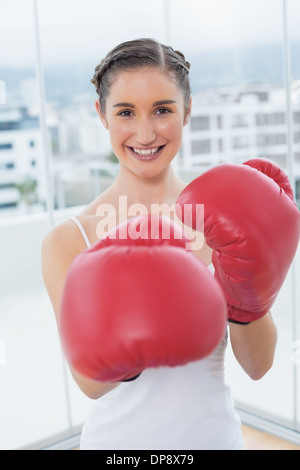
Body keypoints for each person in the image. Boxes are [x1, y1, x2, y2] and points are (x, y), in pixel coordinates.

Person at [42, 38, 280, 450]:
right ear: (102, 116)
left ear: (188, 109)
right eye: (126, 112)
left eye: (163, 110)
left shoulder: (221, 219)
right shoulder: (68, 241)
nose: (145, 132)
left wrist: (248, 299)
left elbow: (258, 366)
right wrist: (141, 320)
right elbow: (90, 385)